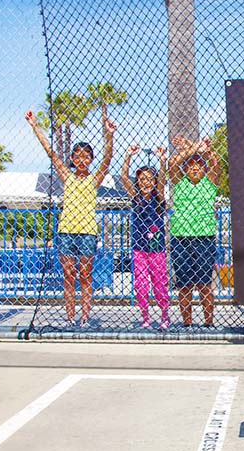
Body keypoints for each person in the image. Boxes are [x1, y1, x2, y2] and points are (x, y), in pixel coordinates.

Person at [25, 108, 115, 326]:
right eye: (78, 156)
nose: (82, 160)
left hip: (87, 233)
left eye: (86, 156)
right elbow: (51, 153)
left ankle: (85, 317)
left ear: (90, 159)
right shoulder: (68, 176)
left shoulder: (94, 179)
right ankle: (70, 318)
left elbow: (108, 158)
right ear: (73, 159)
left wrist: (110, 136)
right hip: (66, 231)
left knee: (86, 275)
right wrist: (35, 126)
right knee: (68, 276)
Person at [167, 135, 220, 327]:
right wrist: (193, 148)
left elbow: (215, 161)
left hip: (204, 239)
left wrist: (203, 150)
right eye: (191, 165)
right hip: (180, 239)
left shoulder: (210, 183)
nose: (195, 167)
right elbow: (172, 163)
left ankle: (209, 323)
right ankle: (187, 323)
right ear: (186, 169)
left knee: (205, 284)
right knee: (184, 285)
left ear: (204, 169)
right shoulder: (180, 184)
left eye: (199, 164)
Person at [121, 144, 171, 329]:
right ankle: (145, 317)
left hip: (157, 250)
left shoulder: (158, 197)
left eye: (150, 179)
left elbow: (162, 180)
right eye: (142, 179)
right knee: (141, 285)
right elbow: (124, 177)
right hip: (139, 249)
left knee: (159, 285)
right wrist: (128, 155)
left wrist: (162, 160)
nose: (146, 182)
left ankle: (165, 315)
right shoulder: (135, 197)